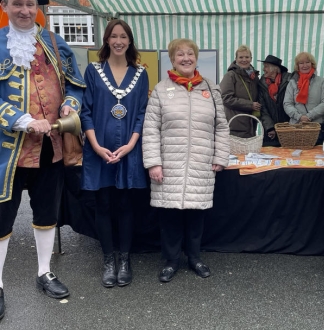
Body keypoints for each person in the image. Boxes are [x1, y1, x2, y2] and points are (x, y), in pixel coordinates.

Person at [0, 0, 85, 321]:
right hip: (7, 151)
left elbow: (76, 86)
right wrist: (19, 118)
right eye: (17, 3)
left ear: (38, 11)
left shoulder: (54, 42)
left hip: (50, 146)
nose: (24, 10)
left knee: (47, 213)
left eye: (30, 5)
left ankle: (44, 272)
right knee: (2, 219)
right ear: (5, 8)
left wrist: (70, 106)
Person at [143, 38, 230, 283]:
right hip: (169, 164)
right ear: (172, 59)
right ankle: (171, 261)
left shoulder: (211, 89)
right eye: (179, 54)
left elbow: (221, 127)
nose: (185, 58)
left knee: (196, 215)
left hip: (201, 163)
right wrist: (153, 162)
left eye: (190, 54)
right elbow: (150, 129)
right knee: (169, 216)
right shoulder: (161, 89)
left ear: (196, 57)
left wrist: (220, 155)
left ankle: (194, 258)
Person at [81, 19, 149, 288]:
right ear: (106, 40)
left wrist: (132, 144)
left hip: (128, 150)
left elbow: (142, 112)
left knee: (125, 205)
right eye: (114, 36)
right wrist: (96, 146)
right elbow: (85, 111)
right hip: (99, 150)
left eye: (123, 36)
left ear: (130, 41)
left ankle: (125, 259)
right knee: (104, 205)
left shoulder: (140, 73)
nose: (119, 41)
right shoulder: (93, 71)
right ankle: (108, 260)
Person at [283, 51, 324, 145]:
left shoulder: (321, 82)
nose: (305, 65)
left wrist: (309, 116)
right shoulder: (292, 83)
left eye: (307, 62)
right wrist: (299, 117)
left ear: (312, 64)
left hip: (317, 127)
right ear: (297, 66)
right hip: (296, 127)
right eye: (301, 63)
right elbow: (287, 103)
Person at [220, 45, 260, 138]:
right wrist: (250, 105)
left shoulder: (254, 77)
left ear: (251, 58)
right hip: (235, 125)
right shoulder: (230, 76)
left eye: (247, 57)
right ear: (236, 59)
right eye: (241, 57)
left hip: (251, 124)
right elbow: (225, 98)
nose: (244, 60)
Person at [257, 54, 291, 146]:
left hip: (289, 130)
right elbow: (262, 108)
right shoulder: (262, 84)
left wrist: (288, 126)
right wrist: (270, 127)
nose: (264, 69)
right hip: (270, 132)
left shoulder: (289, 81)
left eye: (266, 66)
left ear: (275, 68)